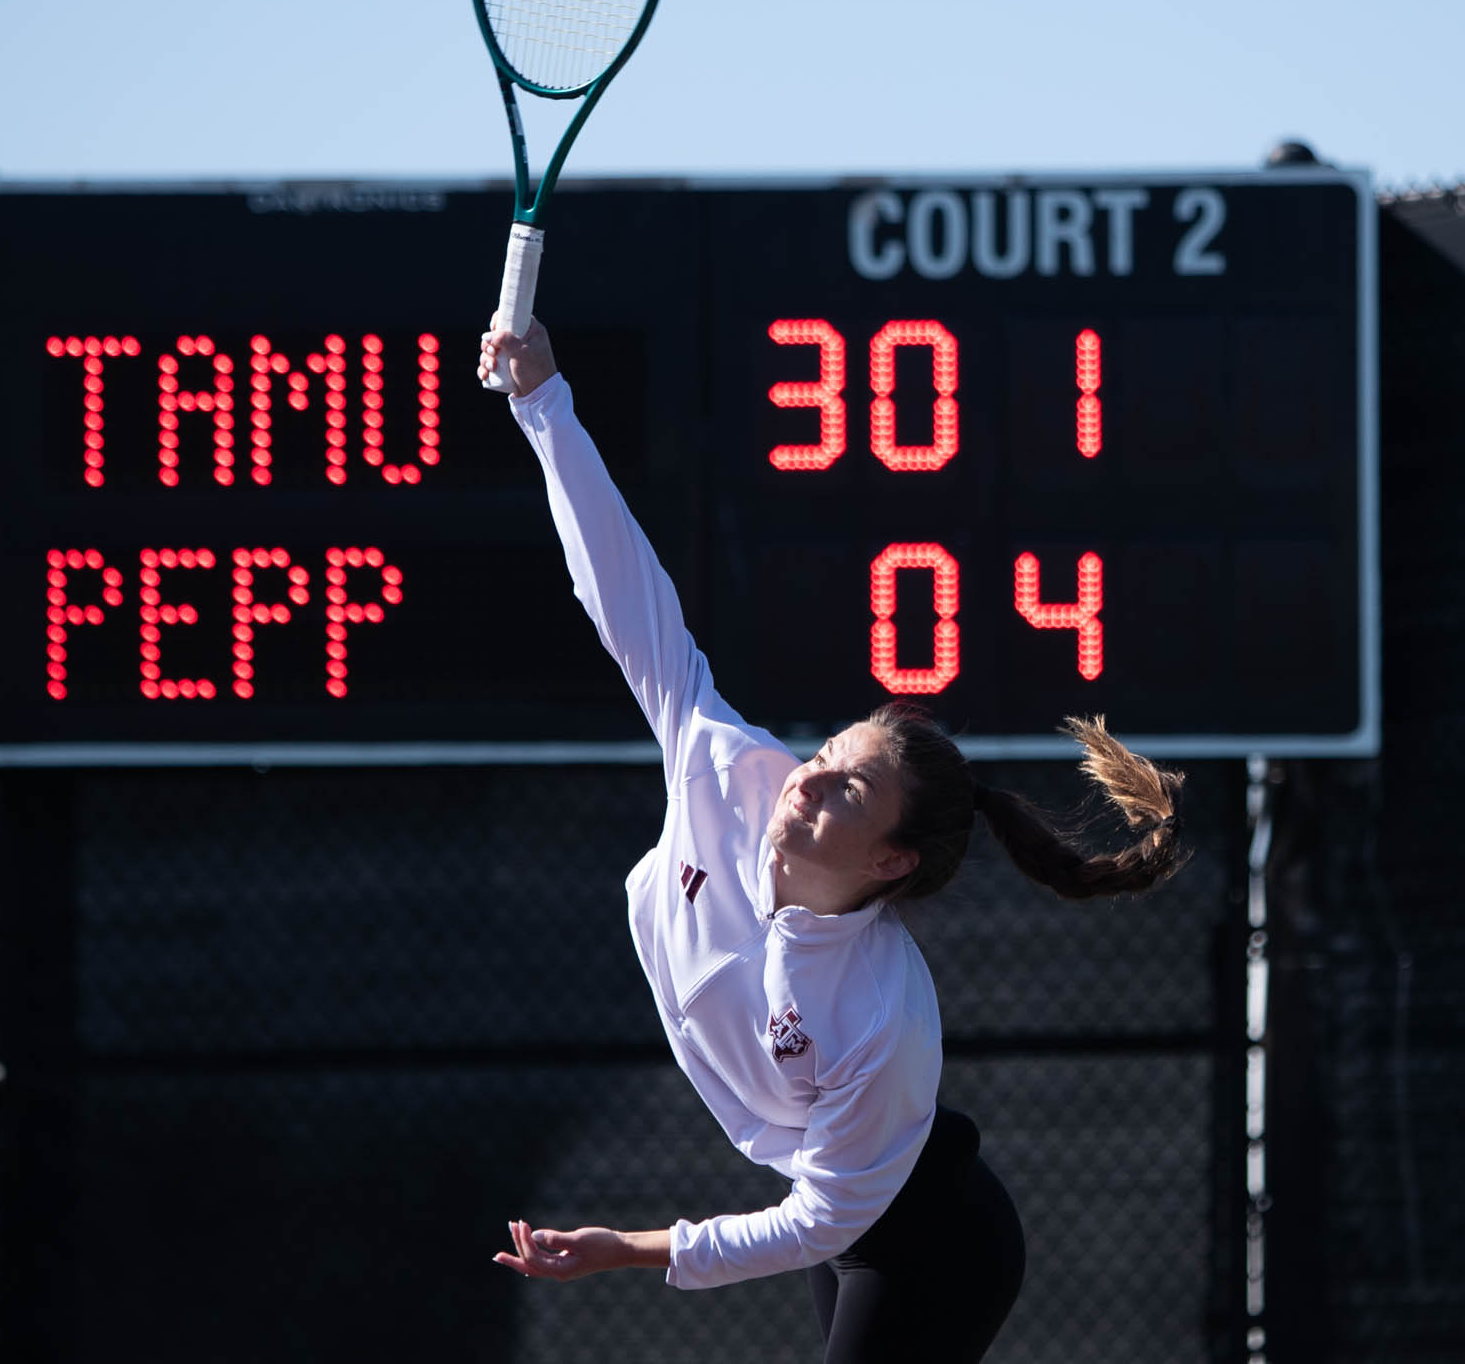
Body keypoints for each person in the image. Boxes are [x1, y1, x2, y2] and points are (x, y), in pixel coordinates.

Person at [480, 320, 1187, 1361]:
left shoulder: (877, 1012)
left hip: (933, 1243)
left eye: (851, 784)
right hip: (851, 1227)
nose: (811, 772)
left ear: (890, 861)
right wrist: (542, 402)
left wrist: (627, 1248)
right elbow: (623, 592)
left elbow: (821, 1217)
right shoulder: (717, 767)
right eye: (827, 751)